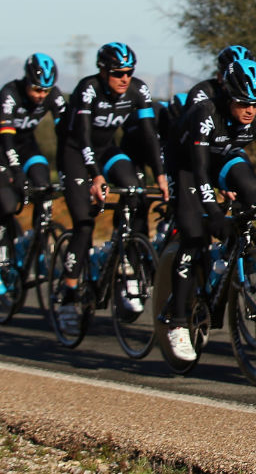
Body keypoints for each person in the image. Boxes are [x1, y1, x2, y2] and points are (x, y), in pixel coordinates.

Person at [164, 58, 256, 361]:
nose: (250, 110)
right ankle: (176, 323)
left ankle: (229, 253)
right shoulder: (205, 113)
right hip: (187, 165)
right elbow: (201, 173)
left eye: (255, 104)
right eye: (243, 103)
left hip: (224, 156)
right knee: (195, 236)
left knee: (251, 191)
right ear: (228, 96)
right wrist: (214, 214)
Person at [55, 43, 169, 334]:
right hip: (75, 155)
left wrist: (160, 175)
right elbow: (81, 137)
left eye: (129, 72)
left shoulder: (137, 90)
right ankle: (68, 295)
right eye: (118, 73)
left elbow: (148, 134)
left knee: (135, 190)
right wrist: (95, 177)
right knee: (83, 224)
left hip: (106, 150)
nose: (125, 79)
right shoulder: (88, 89)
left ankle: (126, 257)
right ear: (103, 71)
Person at [0, 54, 67, 294]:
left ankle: (36, 248)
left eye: (45, 91)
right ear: (26, 80)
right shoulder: (10, 93)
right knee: (7, 205)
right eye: (36, 89)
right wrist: (16, 174)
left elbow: (66, 134)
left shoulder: (53, 95)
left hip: (26, 145)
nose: (41, 95)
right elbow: (6, 137)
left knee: (43, 186)